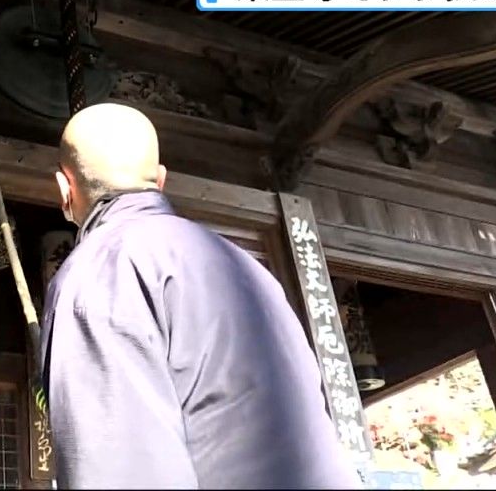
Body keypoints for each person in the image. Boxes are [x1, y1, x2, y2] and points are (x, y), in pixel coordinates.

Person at [39, 102, 362, 489]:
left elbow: (123, 470)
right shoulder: (249, 269)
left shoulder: (98, 272)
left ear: (63, 189)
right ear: (160, 180)